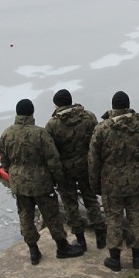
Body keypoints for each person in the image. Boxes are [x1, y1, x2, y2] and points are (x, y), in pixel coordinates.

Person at [0, 98, 85, 265]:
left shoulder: (6, 134)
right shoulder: (40, 134)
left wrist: (15, 175)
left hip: (19, 184)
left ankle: (33, 251)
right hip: (41, 183)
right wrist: (58, 179)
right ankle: (62, 247)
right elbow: (53, 159)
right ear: (32, 113)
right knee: (52, 214)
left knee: (25, 215)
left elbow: (4, 162)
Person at [88, 91, 139, 272]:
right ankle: (137, 257)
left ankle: (115, 259)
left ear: (113, 108)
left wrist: (95, 185)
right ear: (128, 105)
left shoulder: (102, 129)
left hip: (111, 185)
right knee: (135, 218)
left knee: (113, 220)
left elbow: (93, 161)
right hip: (137, 182)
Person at [45, 88, 107, 251]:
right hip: (87, 166)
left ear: (57, 104)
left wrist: (54, 175)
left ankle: (80, 240)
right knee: (91, 199)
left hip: (66, 171)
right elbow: (97, 142)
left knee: (70, 204)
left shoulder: (52, 124)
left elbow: (50, 152)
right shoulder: (89, 117)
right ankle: (101, 235)